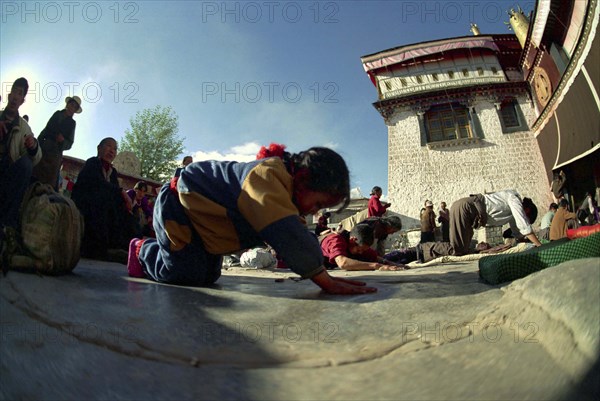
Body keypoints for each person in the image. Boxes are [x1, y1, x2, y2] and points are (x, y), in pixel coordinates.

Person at [127, 143, 377, 295]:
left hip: (207, 229)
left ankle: (172, 257)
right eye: (319, 204)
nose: (315, 212)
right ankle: (142, 250)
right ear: (303, 180)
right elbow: (290, 236)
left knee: (206, 277)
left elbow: (297, 233)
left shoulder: (286, 198)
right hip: (178, 207)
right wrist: (326, 281)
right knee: (182, 274)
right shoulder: (267, 177)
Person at [71, 137, 136, 261]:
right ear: (99, 148)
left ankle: (126, 248)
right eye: (109, 146)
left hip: (105, 208)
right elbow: (97, 184)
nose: (112, 151)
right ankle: (98, 249)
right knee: (101, 202)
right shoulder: (92, 163)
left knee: (128, 215)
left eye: (115, 149)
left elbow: (115, 193)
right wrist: (121, 192)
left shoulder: (113, 172)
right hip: (87, 206)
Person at [0, 78, 41, 250]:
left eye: (20, 93)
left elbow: (35, 158)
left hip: (7, 178)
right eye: (14, 92)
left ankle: (7, 227)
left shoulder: (24, 127)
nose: (15, 96)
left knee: (25, 165)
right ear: (9, 95)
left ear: (22, 100)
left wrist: (33, 146)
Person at [449, 189, 541, 255]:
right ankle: (434, 247)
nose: (524, 217)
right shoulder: (514, 199)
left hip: (469, 214)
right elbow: (524, 226)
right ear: (527, 210)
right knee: (457, 250)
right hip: (465, 208)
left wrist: (524, 242)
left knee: (464, 249)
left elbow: (516, 230)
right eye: (526, 217)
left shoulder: (512, 211)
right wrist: (539, 245)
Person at [32, 96, 82, 190]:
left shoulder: (72, 123)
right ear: (67, 104)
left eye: (75, 107)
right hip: (44, 147)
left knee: (49, 182)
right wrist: (37, 144)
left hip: (55, 154)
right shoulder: (57, 114)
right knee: (34, 174)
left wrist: (63, 141)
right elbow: (46, 129)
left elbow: (70, 143)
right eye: (72, 104)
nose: (72, 108)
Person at [320, 224, 404, 271]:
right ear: (353, 240)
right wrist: (376, 266)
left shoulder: (359, 245)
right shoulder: (335, 240)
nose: (361, 253)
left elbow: (375, 257)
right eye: (359, 250)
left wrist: (392, 264)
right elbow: (343, 263)